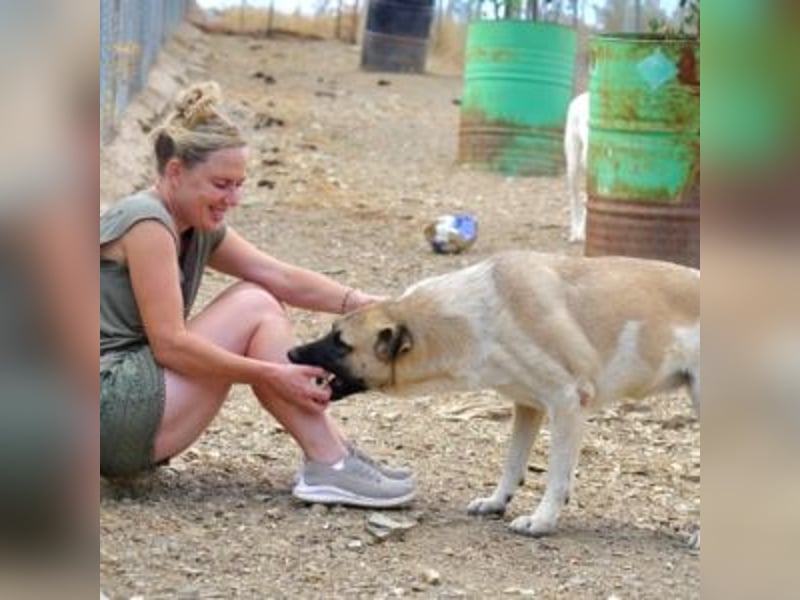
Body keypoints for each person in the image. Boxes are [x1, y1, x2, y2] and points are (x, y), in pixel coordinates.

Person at [100, 81, 415, 508]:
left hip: (130, 412)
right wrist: (269, 373)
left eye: (239, 184)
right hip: (107, 411)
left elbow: (277, 274)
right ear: (175, 172)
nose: (234, 198)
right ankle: (330, 461)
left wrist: (366, 303)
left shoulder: (195, 225)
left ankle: (335, 454)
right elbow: (170, 345)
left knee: (262, 293)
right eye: (222, 184)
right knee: (254, 303)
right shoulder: (147, 224)